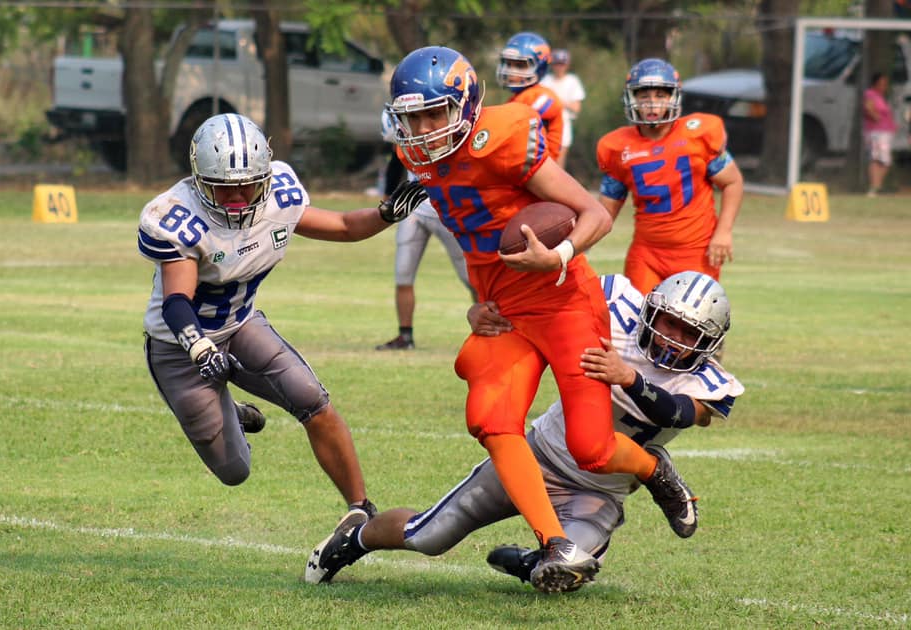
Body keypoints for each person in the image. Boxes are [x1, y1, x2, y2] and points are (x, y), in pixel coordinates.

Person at [364, 45, 698, 593]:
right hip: (507, 315)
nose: (422, 128)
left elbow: (593, 214)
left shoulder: (507, 138)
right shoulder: (419, 161)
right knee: (491, 420)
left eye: (434, 113)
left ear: (467, 108)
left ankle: (653, 469)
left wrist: (558, 255)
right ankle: (555, 541)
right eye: (412, 117)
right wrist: (476, 301)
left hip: (566, 300)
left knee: (592, 447)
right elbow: (475, 241)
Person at [305, 271, 743, 592]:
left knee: (569, 573)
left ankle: (533, 560)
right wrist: (479, 312)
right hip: (539, 457)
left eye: (690, 333)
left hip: (599, 492)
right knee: (429, 536)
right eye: (670, 323)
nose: (674, 338)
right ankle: (355, 538)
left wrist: (629, 378)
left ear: (709, 342)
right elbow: (537, 297)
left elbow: (683, 413)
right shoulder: (615, 303)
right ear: (651, 309)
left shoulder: (708, 381)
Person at [137, 113, 425, 532]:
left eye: (246, 185)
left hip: (240, 326)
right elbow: (177, 302)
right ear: (200, 178)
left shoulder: (279, 195)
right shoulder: (177, 216)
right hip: (180, 347)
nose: (236, 198)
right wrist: (201, 349)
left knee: (312, 400)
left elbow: (343, 226)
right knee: (234, 470)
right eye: (224, 186)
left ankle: (361, 509)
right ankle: (228, 410)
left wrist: (385, 213)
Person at [596, 58, 744, 295]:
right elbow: (604, 212)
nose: (652, 104)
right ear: (631, 98)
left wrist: (724, 232)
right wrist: (572, 245)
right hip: (647, 254)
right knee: (639, 323)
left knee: (693, 325)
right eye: (644, 96)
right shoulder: (617, 147)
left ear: (673, 97)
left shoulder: (698, 134)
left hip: (696, 251)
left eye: (661, 95)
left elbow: (733, 182)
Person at [375, 110, 476, 351]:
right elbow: (396, 160)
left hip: (446, 208)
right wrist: (389, 198)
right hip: (414, 209)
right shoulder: (403, 125)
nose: (421, 128)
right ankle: (405, 336)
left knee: (472, 278)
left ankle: (488, 330)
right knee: (403, 275)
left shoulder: (446, 126)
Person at [496, 32, 566, 161]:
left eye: (519, 65)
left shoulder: (544, 96)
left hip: (539, 170)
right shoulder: (516, 98)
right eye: (509, 63)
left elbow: (515, 125)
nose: (511, 71)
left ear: (539, 67)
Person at [540, 48, 586, 169]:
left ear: (567, 65)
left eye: (562, 64)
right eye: (557, 64)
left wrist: (557, 102)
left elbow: (576, 108)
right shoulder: (545, 81)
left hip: (563, 126)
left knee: (558, 165)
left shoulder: (572, 81)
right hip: (544, 126)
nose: (559, 67)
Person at [862, 72, 898, 198]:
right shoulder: (870, 94)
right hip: (877, 132)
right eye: (881, 83)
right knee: (878, 159)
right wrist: (875, 117)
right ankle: (875, 187)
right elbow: (868, 107)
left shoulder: (880, 96)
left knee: (884, 160)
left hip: (885, 132)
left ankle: (877, 187)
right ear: (875, 83)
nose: (884, 86)